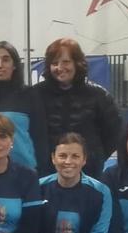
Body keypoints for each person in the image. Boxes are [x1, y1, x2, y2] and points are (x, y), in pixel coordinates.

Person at [34, 37, 122, 177]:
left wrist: (94, 156)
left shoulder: (99, 95)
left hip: (89, 172)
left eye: (66, 62)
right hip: (46, 173)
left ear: (77, 63)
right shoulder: (35, 95)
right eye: (54, 63)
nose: (60, 67)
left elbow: (115, 133)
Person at [0, 41, 49, 175]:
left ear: (14, 65)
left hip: (24, 173)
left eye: (6, 60)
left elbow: (40, 137)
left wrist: (41, 171)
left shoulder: (30, 95)